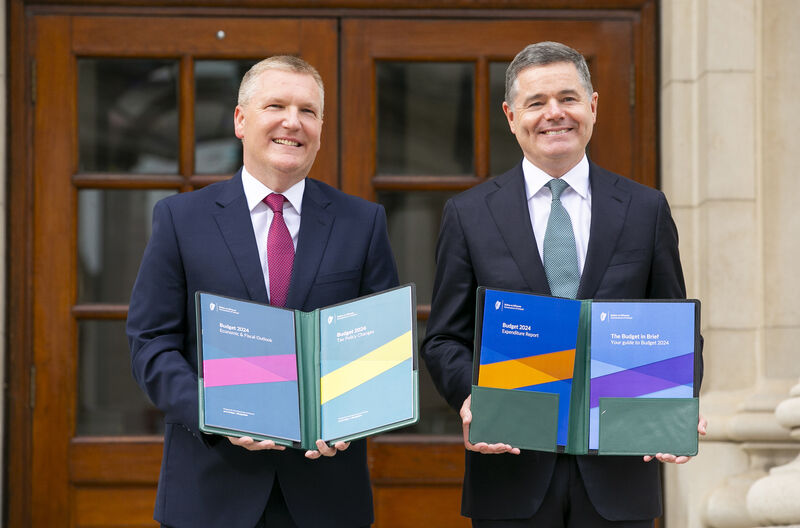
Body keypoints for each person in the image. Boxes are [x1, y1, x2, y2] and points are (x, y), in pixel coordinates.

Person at [422, 41, 706, 528]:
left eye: (568, 98)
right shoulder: (468, 215)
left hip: (619, 474)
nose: (554, 113)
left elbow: (674, 329)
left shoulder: (646, 209)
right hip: (510, 471)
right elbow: (445, 337)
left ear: (592, 106)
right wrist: (473, 399)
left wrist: (676, 401)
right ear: (511, 116)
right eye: (536, 102)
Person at [127, 56, 398, 528]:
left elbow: (382, 346)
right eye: (276, 105)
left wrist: (355, 417)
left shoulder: (362, 222)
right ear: (240, 120)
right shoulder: (180, 220)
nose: (292, 122)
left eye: (308, 111)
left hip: (326, 494)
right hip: (211, 493)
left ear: (320, 128)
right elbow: (150, 343)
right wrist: (214, 412)